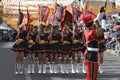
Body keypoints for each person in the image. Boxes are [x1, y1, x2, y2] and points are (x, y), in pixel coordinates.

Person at [82, 14, 99, 80]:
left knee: (91, 75)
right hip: (92, 55)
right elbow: (100, 32)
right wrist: (99, 15)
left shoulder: (87, 31)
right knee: (92, 75)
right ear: (91, 25)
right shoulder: (92, 32)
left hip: (91, 53)